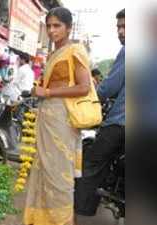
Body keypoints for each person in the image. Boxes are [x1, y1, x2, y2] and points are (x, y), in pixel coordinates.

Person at [23, 7, 93, 225]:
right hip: (47, 117)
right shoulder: (53, 53)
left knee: (58, 176)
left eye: (57, 26)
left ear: (69, 28)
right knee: (43, 170)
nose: (52, 31)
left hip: (63, 120)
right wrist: (40, 90)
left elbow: (84, 87)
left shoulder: (75, 51)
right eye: (49, 26)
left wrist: (50, 92)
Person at [74, 9, 125, 217]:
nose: (121, 32)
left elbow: (109, 87)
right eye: (119, 27)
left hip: (122, 123)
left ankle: (81, 211)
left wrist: (86, 99)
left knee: (92, 163)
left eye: (125, 27)